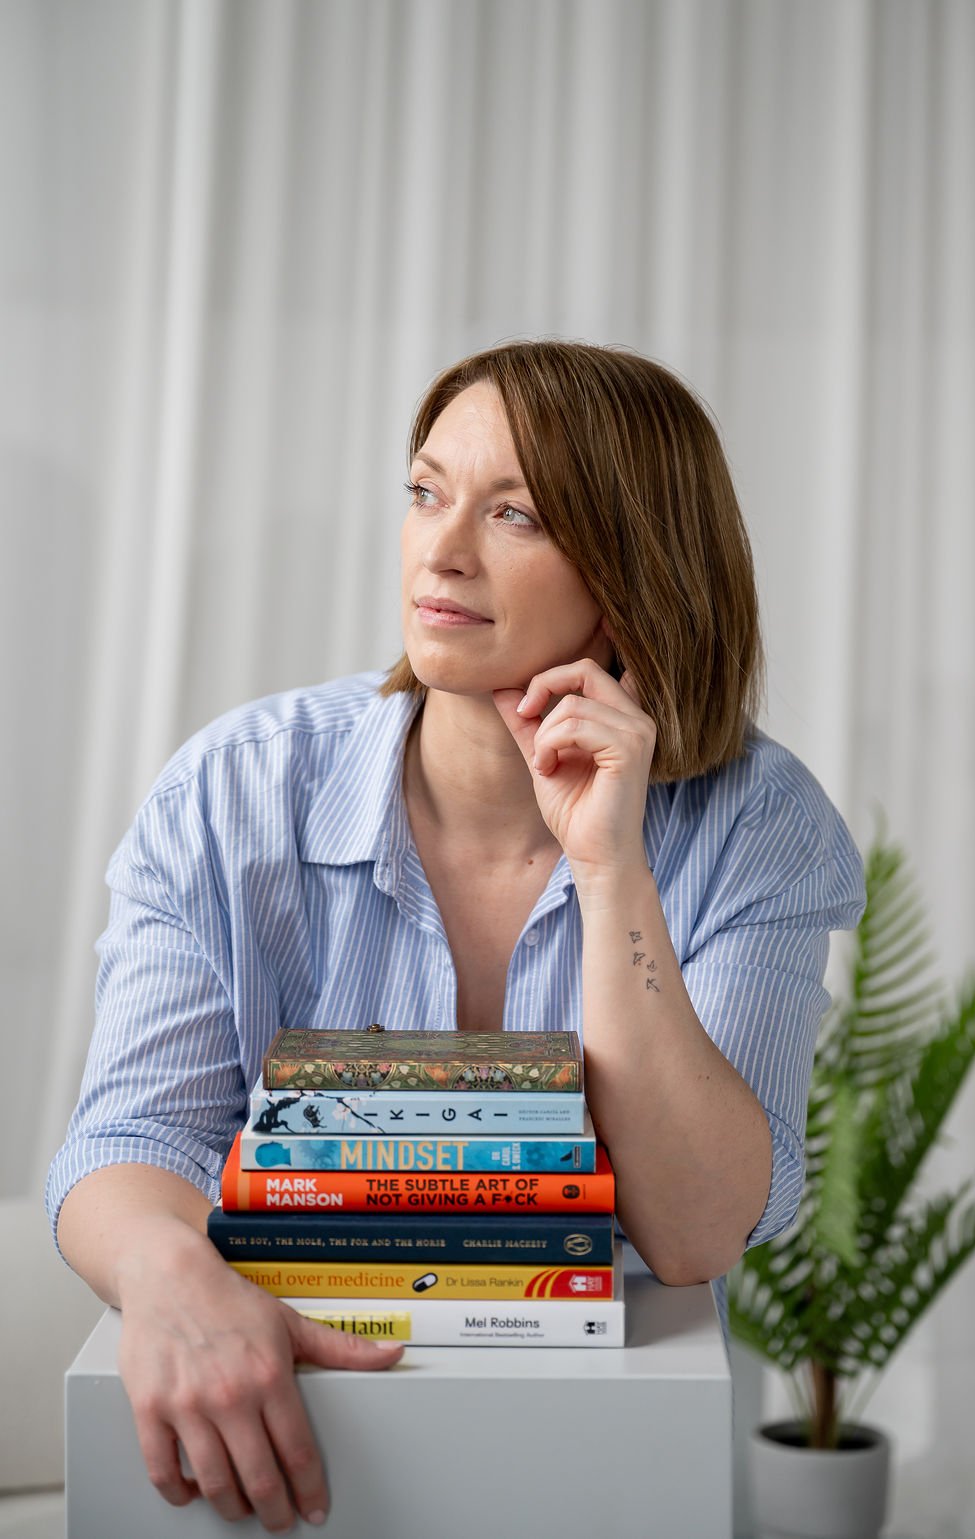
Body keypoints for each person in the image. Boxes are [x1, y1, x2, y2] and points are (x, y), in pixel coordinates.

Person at [47, 339, 864, 1532]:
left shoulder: (758, 820)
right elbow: (131, 1134)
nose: (441, 548)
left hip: (598, 1450)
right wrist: (171, 1279)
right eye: (426, 492)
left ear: (633, 566)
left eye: (515, 514)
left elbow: (693, 1234)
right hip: (285, 1422)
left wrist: (611, 867)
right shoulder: (233, 791)